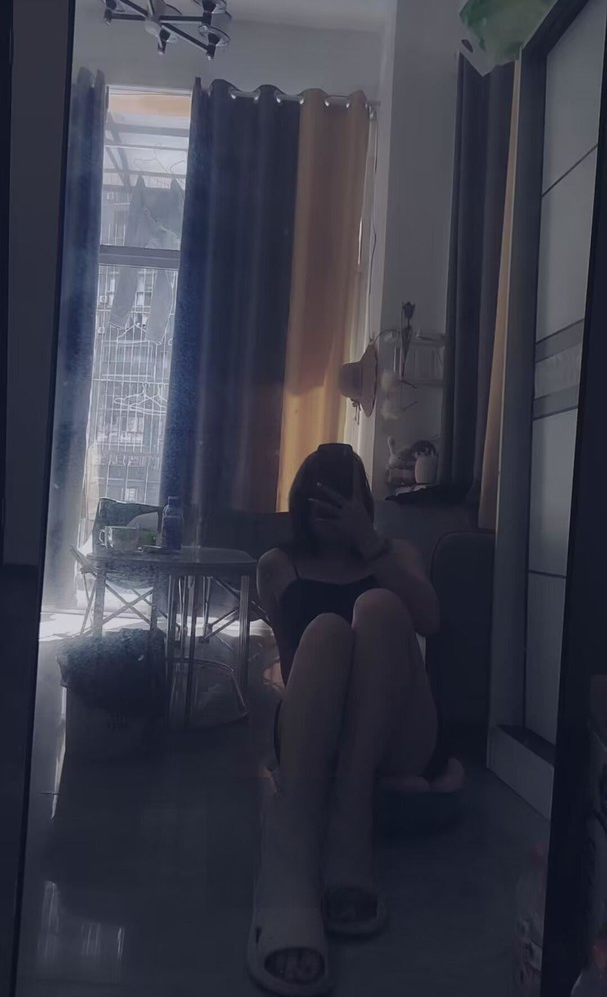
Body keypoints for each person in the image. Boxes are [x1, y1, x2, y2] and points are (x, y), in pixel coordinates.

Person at [247, 443, 463, 996]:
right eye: (318, 499)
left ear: (361, 501)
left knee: (380, 607)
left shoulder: (396, 552)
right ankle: (301, 863)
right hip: (317, 726)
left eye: (341, 498)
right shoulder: (276, 566)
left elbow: (430, 620)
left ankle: (347, 812)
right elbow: (292, 665)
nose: (329, 511)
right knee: (326, 631)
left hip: (397, 730)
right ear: (301, 502)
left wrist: (369, 543)